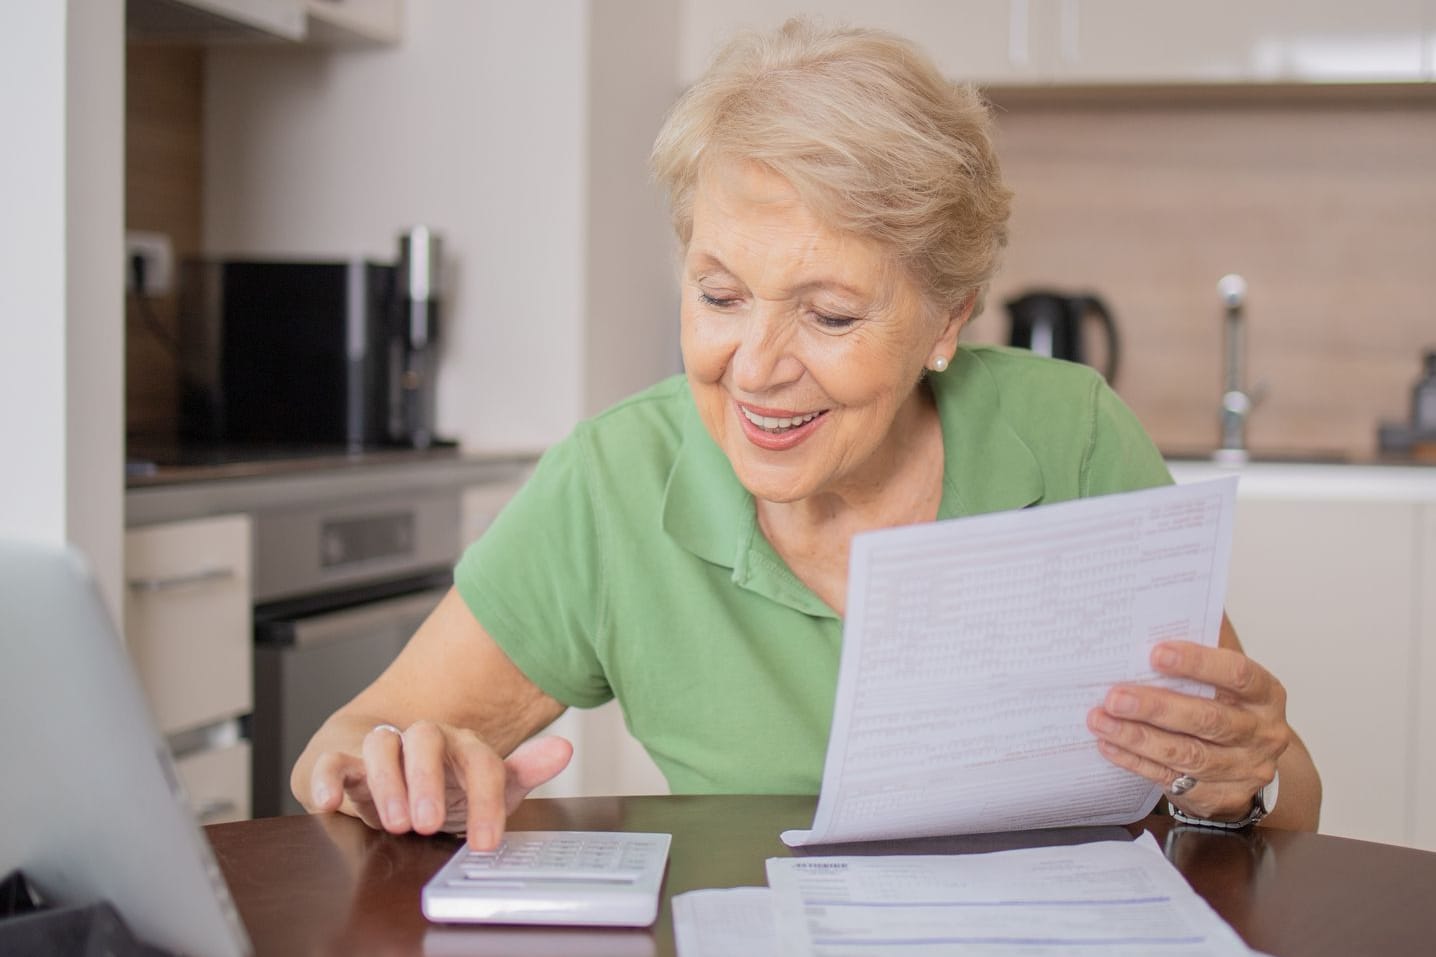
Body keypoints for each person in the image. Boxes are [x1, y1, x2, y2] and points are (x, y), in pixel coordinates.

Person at [293, 19, 1320, 848]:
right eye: (720, 295)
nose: (756, 365)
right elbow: (346, 747)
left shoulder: (1068, 438)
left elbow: (1277, 795)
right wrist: (392, 773)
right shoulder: (615, 478)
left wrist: (1235, 780)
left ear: (947, 321)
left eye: (829, 315)